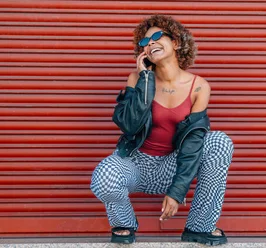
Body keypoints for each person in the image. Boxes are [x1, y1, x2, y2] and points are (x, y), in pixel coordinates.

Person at [90, 15, 234, 246]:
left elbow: (194, 142)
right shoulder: (136, 78)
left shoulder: (199, 86)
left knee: (219, 141)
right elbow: (129, 125)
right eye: (145, 42)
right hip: (137, 164)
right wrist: (145, 79)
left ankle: (200, 226)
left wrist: (177, 192)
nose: (150, 43)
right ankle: (124, 223)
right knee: (104, 175)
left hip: (172, 164)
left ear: (176, 42)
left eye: (157, 36)